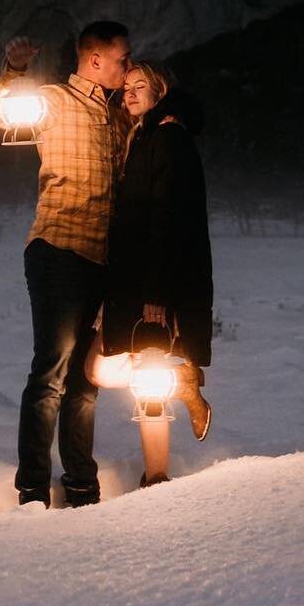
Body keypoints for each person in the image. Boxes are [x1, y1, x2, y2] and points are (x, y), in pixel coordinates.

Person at [0, 20, 133, 508]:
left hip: (101, 259)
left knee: (84, 379)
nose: (126, 66)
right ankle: (32, 487)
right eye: (121, 59)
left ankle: (81, 482)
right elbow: (2, 113)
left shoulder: (116, 118)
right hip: (58, 248)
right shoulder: (54, 101)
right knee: (51, 372)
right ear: (95, 59)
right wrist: (14, 68)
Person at [102, 61, 214, 469]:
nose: (130, 93)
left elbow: (168, 216)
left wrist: (157, 293)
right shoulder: (146, 135)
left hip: (156, 281)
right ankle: (183, 379)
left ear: (160, 92)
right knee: (102, 368)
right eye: (126, 86)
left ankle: (155, 476)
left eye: (141, 86)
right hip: (136, 275)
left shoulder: (166, 136)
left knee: (144, 375)